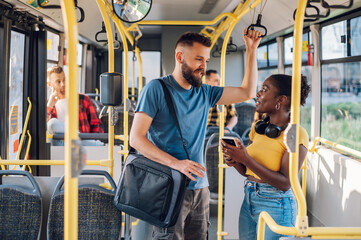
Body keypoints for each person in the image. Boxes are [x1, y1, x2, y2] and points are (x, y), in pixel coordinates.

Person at [130, 29, 262, 240]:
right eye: (198, 59)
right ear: (180, 57)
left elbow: (247, 91)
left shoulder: (205, 92)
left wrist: (251, 49)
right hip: (168, 187)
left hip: (200, 188)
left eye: (206, 60)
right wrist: (177, 163)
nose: (203, 66)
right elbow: (136, 138)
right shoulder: (156, 89)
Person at [221, 74, 311, 240]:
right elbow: (250, 172)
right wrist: (236, 161)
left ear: (281, 100)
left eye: (264, 90)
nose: (258, 94)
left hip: (277, 204)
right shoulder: (258, 129)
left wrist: (246, 159)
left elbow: (285, 183)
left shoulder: (296, 133)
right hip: (249, 199)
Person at [47, 66, 104, 135]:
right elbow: (42, 130)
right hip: (58, 144)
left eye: (64, 80)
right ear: (49, 84)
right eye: (58, 82)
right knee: (52, 123)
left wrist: (92, 142)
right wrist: (49, 106)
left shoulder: (83, 99)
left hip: (82, 142)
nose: (63, 84)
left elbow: (97, 125)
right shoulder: (48, 104)